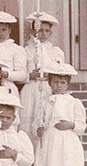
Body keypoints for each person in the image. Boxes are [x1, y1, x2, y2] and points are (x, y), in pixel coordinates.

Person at [31, 63, 87, 166]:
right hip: (50, 140)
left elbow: (81, 126)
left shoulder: (74, 103)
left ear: (67, 85)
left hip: (67, 141)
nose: (59, 86)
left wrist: (71, 125)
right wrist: (38, 129)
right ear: (50, 83)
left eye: (62, 83)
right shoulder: (44, 102)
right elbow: (37, 122)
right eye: (55, 82)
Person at [20, 11, 65, 150]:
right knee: (29, 120)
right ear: (34, 31)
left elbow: (60, 71)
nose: (43, 33)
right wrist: (29, 75)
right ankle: (29, 156)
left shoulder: (56, 51)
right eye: (40, 30)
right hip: (31, 88)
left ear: (50, 33)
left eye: (47, 31)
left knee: (46, 120)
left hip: (47, 88)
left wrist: (49, 74)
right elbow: (21, 71)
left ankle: (45, 155)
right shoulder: (26, 50)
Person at [0, 11, 28, 88]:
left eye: (4, 30)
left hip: (8, 87)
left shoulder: (16, 49)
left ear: (9, 30)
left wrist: (6, 74)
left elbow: (22, 75)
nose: (1, 33)